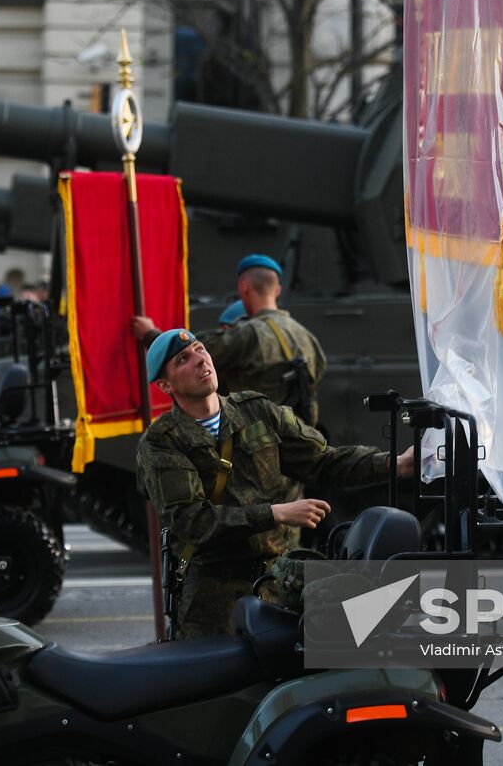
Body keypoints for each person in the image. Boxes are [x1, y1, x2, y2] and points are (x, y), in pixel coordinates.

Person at [137, 327, 415, 639]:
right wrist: (275, 513)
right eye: (183, 359)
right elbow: (192, 521)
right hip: (213, 601)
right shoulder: (162, 442)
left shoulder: (256, 411)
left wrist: (395, 463)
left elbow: (322, 461)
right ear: (165, 385)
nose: (200, 360)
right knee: (226, 687)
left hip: (276, 584)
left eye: (200, 349)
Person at [134, 254, 326, 426]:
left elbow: (186, 352)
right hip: (297, 440)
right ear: (277, 290)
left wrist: (150, 334)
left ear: (244, 287)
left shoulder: (249, 334)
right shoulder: (307, 337)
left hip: (255, 442)